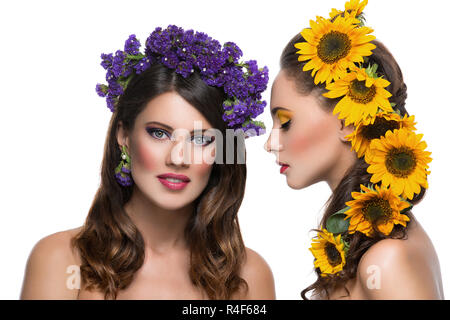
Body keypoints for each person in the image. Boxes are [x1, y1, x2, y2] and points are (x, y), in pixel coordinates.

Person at [20, 25, 275, 300]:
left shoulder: (248, 277)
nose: (178, 158)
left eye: (201, 140)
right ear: (124, 136)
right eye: (159, 133)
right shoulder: (61, 261)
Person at [264, 0, 444, 299]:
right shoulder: (366, 243)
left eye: (285, 122)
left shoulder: (387, 260)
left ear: (349, 119)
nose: (270, 143)